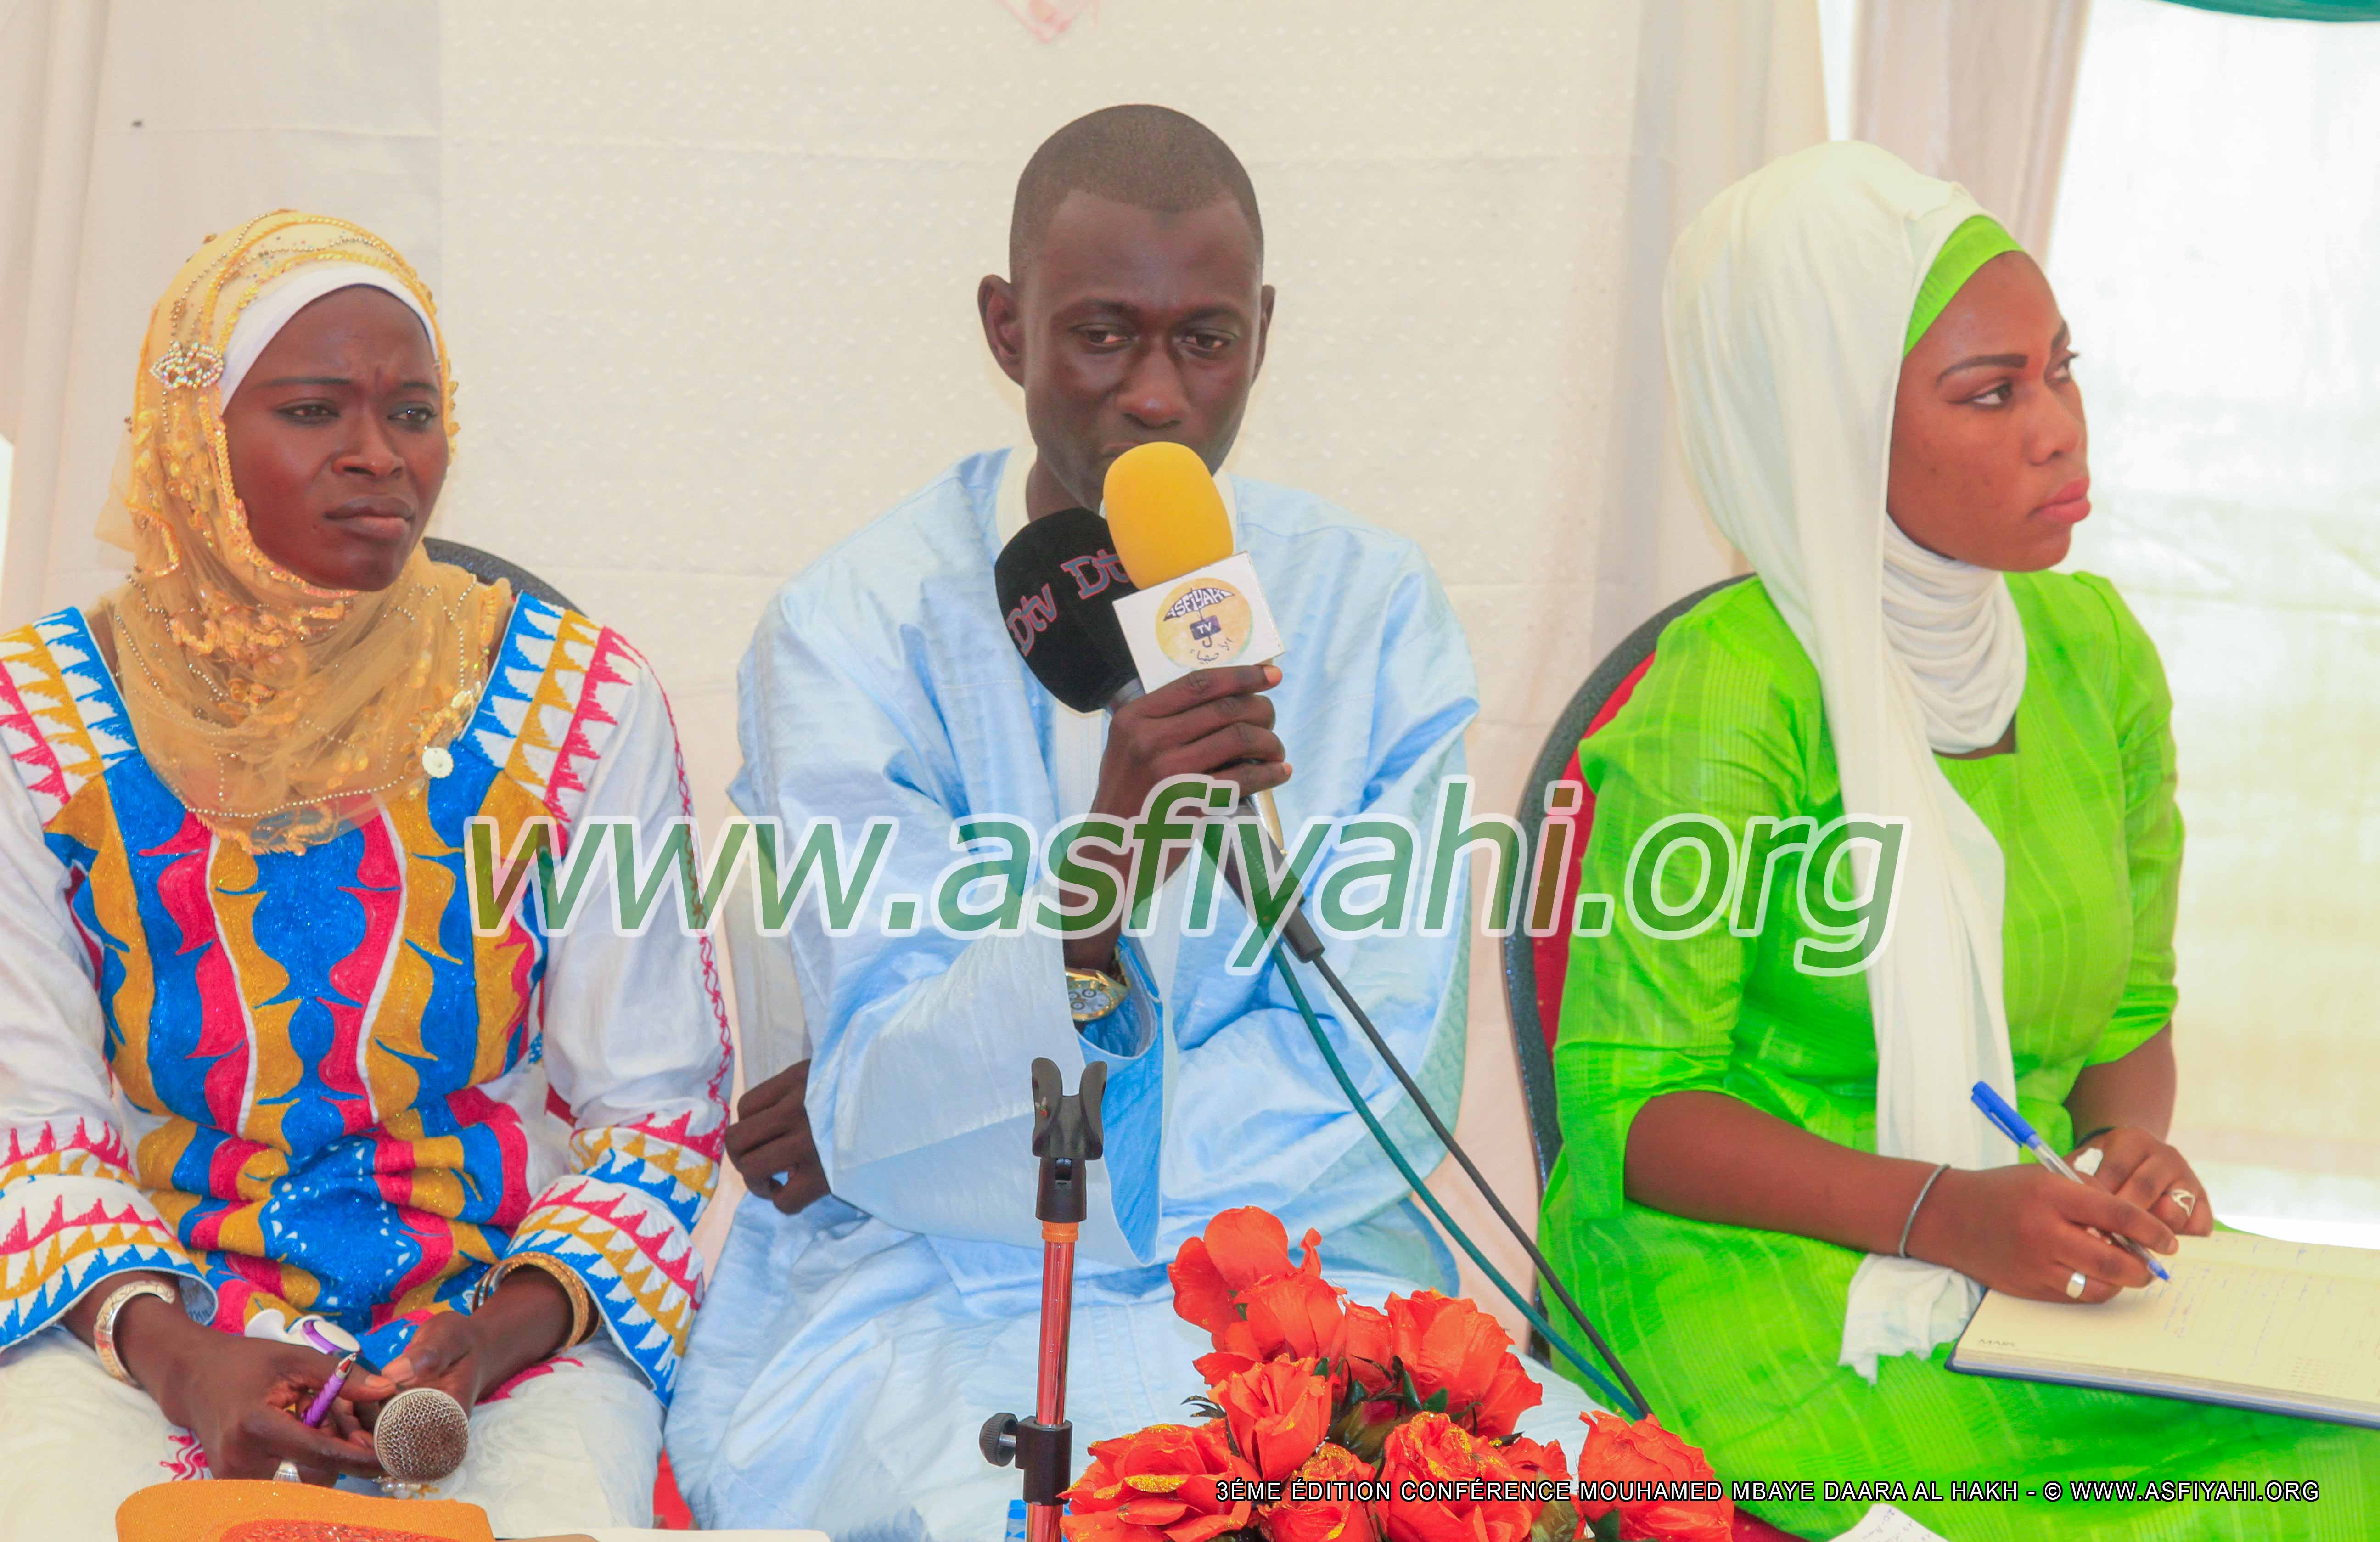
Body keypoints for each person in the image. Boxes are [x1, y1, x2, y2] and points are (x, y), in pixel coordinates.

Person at [668, 105, 1591, 1537]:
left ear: (1263, 332)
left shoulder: (1369, 608)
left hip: (1310, 1259)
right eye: (1102, 334)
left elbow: (1378, 1058)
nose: (1158, 397)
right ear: (1005, 328)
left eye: (1205, 341)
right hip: (947, 1281)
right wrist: (1097, 876)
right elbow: (895, 1098)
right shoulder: (853, 628)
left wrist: (964, 1138)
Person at [1534, 142, 2377, 1538]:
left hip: (2030, 1263)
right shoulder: (1732, 689)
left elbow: (2130, 1019)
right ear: (1830, 424)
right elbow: (1634, 1113)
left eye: (2062, 368)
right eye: (1992, 393)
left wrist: (2122, 1150)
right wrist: (1946, 1214)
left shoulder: (2093, 652)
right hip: (1749, 1284)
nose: (2059, 428)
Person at [0, 214, 731, 1536]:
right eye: (311, 409)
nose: (379, 455)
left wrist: (492, 1336)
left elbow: (656, 1099)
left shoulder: (572, 705)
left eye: (414, 410)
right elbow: (27, 1119)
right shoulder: (38, 721)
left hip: (497, 1325)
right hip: (136, 1321)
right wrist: (184, 1358)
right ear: (193, 444)